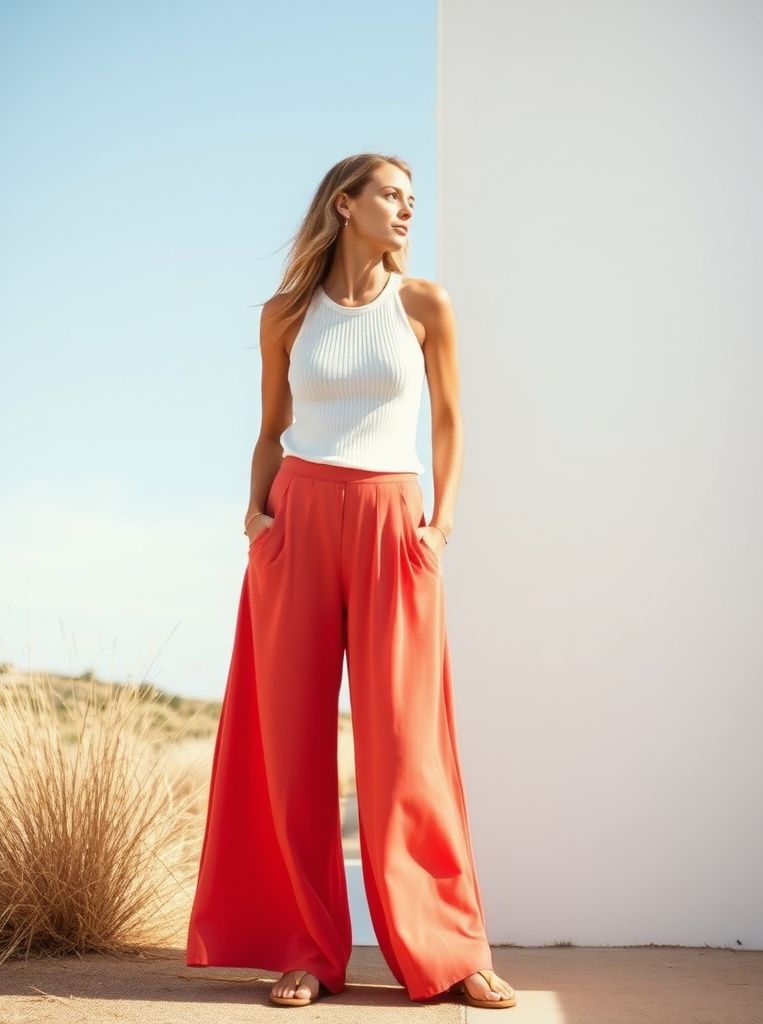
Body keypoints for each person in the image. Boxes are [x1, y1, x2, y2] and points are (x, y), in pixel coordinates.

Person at [185, 153, 516, 1011]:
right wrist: (254, 520)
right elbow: (270, 428)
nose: (408, 210)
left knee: (407, 748)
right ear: (345, 203)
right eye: (391, 196)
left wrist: (439, 529)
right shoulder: (287, 315)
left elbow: (449, 420)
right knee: (290, 747)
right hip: (298, 519)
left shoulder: (425, 306)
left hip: (392, 522)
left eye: (414, 199)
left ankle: (447, 949)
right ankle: (305, 949)